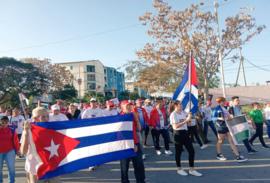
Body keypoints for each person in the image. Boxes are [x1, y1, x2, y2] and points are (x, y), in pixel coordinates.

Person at [20, 107, 62, 183]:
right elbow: (23, 151)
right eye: (43, 117)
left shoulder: (52, 129)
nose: (46, 119)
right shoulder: (28, 130)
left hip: (52, 165)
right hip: (35, 167)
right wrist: (26, 133)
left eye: (47, 116)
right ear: (35, 118)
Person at [170, 101, 202, 177]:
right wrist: (186, 120)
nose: (182, 105)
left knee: (191, 151)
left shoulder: (183, 112)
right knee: (178, 152)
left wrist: (190, 118)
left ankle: (191, 169)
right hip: (178, 134)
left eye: (181, 104)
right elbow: (175, 127)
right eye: (180, 104)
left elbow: (188, 123)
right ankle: (179, 169)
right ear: (176, 106)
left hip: (185, 133)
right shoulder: (173, 114)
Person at [214, 97, 247, 162]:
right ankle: (219, 154)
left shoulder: (225, 107)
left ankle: (237, 156)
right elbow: (215, 117)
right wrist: (223, 118)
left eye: (224, 101)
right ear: (219, 102)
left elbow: (228, 116)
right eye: (223, 101)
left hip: (228, 126)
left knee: (231, 141)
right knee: (221, 141)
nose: (224, 102)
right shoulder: (217, 108)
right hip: (221, 126)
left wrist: (230, 117)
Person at [120, 100, 145, 183]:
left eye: (130, 105)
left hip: (136, 143)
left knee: (139, 166)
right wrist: (131, 144)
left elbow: (139, 129)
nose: (129, 107)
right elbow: (122, 134)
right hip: (125, 146)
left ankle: (141, 181)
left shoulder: (132, 115)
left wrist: (136, 119)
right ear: (122, 108)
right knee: (124, 168)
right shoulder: (120, 117)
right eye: (127, 106)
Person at [0, 116, 20, 183]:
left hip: (10, 151)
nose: (4, 124)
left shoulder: (12, 130)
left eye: (6, 122)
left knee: (11, 169)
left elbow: (16, 141)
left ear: (8, 122)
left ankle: (11, 181)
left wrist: (17, 150)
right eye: (2, 122)